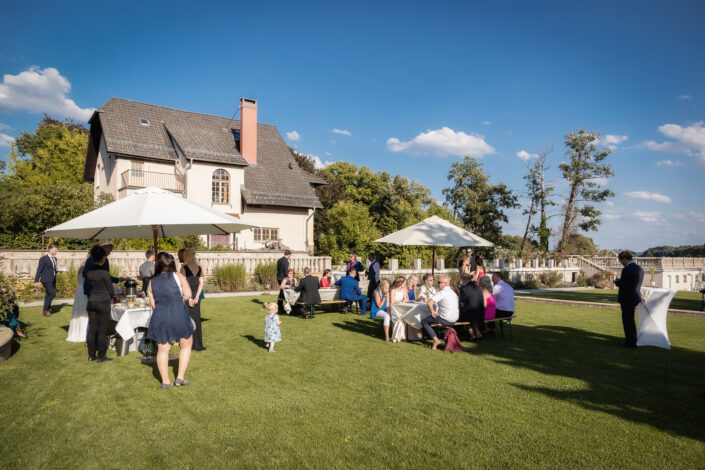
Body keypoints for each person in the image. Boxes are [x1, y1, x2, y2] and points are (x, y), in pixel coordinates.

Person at [147, 252, 194, 388]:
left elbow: (153, 304)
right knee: (186, 344)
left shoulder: (152, 282)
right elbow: (188, 294)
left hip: (160, 315)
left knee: (163, 349)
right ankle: (180, 377)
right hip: (178, 313)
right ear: (172, 263)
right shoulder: (178, 276)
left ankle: (165, 381)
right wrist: (182, 298)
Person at [84, 245, 114, 363]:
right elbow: (110, 290)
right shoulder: (104, 273)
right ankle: (101, 356)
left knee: (92, 329)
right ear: (102, 258)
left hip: (91, 301)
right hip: (103, 302)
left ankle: (91, 355)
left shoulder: (89, 272)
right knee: (102, 330)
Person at [614, 250, 643, 348]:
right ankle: (632, 340)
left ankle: (630, 342)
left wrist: (616, 281)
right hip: (635, 297)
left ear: (625, 259)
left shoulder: (627, 269)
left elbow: (623, 284)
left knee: (627, 321)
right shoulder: (639, 268)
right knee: (630, 320)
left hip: (627, 298)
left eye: (621, 261)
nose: (621, 263)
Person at [421, 275, 459, 350]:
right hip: (454, 319)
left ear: (444, 283)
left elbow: (429, 303)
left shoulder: (441, 293)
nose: (437, 284)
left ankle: (436, 340)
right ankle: (438, 337)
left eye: (439, 282)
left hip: (446, 319)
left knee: (424, 321)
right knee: (433, 318)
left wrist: (432, 311)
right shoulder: (453, 293)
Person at [181, 248, 206, 351]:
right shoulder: (199, 268)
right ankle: (198, 345)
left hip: (188, 297)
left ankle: (189, 344)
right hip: (196, 297)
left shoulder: (183, 268)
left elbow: (182, 284)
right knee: (197, 320)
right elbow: (201, 283)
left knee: (188, 320)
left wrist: (189, 298)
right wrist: (197, 297)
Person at [66, 255, 90, 342]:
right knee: (84, 311)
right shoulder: (86, 268)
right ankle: (83, 333)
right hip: (85, 290)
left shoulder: (82, 266)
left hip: (80, 290)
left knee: (80, 311)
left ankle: (78, 332)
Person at [34, 245, 58, 317]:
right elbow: (39, 270)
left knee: (48, 294)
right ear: (50, 250)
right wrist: (36, 281)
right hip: (46, 280)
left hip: (53, 279)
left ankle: (45, 311)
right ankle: (46, 310)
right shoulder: (43, 259)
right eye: (55, 250)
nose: (56, 251)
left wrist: (59, 271)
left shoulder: (55, 259)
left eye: (56, 250)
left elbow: (52, 270)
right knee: (52, 293)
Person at [458, 273, 484, 340]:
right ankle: (478, 333)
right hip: (480, 312)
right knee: (471, 314)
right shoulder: (477, 287)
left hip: (470, 314)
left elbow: (461, 301)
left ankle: (472, 335)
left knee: (464, 315)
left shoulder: (464, 288)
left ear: (463, 280)